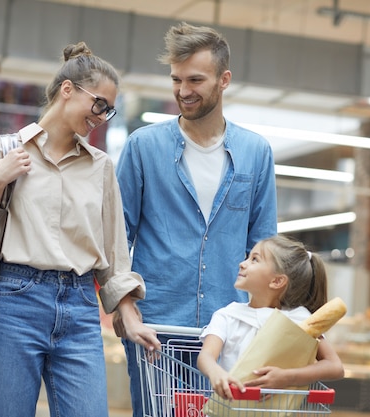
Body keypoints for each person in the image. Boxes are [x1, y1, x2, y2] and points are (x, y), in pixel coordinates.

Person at [0, 41, 155, 417]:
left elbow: (114, 252)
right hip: (12, 301)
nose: (102, 116)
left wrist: (128, 313)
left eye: (109, 111)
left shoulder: (101, 167)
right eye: (99, 104)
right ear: (67, 89)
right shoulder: (2, 150)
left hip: (79, 307)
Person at [113, 21, 278, 415]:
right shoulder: (143, 147)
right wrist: (124, 309)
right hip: (157, 329)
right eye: (176, 79)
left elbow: (265, 245)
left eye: (195, 80)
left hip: (228, 332)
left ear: (224, 80)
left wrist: (268, 324)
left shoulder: (256, 153)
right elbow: (115, 236)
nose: (183, 91)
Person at [197, 235, 345, 400]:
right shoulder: (228, 315)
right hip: (230, 408)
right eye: (248, 257)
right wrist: (215, 372)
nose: (242, 263)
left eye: (254, 259)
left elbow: (335, 366)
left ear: (277, 281)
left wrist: (287, 377)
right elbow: (206, 356)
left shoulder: (299, 319)